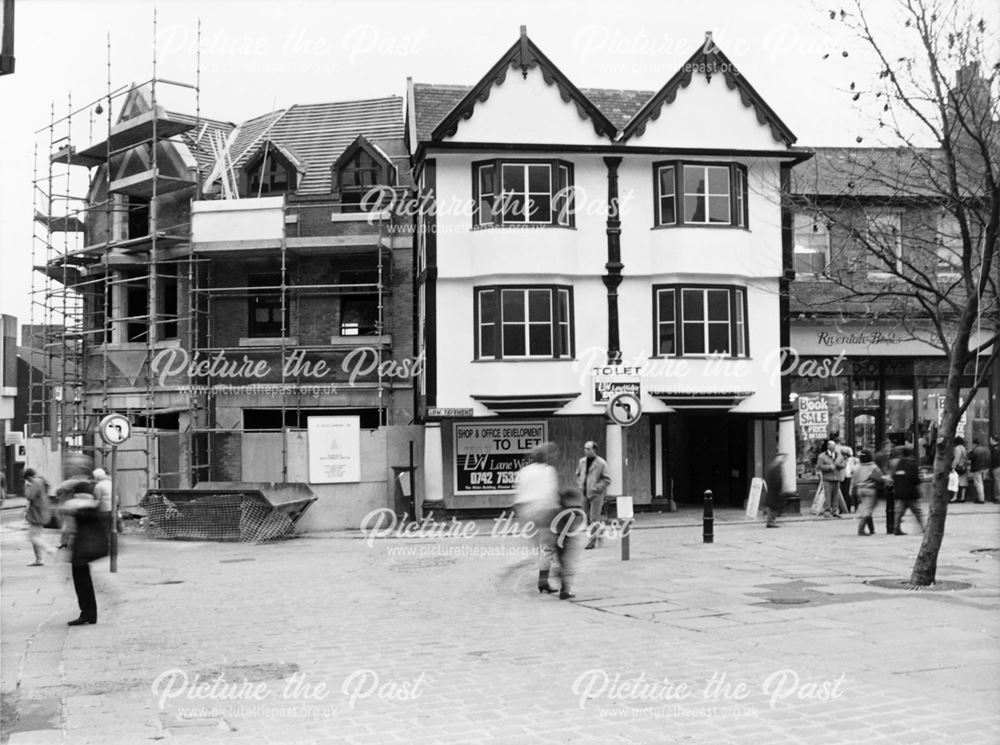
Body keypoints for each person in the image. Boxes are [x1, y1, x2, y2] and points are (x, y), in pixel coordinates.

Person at [514, 442, 560, 596]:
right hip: (543, 510)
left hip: (526, 511)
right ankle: (544, 579)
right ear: (544, 457)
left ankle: (544, 574)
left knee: (537, 546)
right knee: (547, 546)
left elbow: (518, 492)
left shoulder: (524, 471)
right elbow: (551, 493)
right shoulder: (549, 471)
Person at [551, 487, 586, 600]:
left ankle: (564, 587)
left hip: (556, 539)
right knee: (566, 565)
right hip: (564, 540)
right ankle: (564, 589)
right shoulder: (566, 511)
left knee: (563, 563)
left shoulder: (558, 510)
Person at [575, 441, 612, 549]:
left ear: (594, 450)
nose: (585, 451)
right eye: (585, 448)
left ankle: (592, 541)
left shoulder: (601, 463)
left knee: (594, 518)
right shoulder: (582, 462)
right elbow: (578, 474)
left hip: (596, 495)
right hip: (584, 493)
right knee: (586, 517)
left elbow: (607, 479)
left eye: (588, 449)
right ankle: (600, 531)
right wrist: (580, 485)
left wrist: (596, 488)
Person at [23, 469, 56, 566]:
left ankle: (51, 550)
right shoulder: (41, 481)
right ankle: (39, 559)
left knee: (33, 536)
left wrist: (27, 486)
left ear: (28, 477)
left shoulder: (36, 482)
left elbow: (30, 496)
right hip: (40, 511)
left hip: (37, 512)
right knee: (35, 535)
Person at [890, 445, 925, 535]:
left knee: (899, 512)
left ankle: (896, 528)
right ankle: (924, 528)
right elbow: (915, 479)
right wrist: (919, 489)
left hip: (900, 492)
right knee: (918, 512)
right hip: (911, 492)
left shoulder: (898, 464)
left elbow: (894, 477)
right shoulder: (912, 464)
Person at [849, 450, 883, 536]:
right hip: (870, 489)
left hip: (859, 490)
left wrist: (851, 490)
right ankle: (861, 530)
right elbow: (880, 478)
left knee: (866, 508)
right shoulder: (873, 467)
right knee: (867, 510)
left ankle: (872, 529)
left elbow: (853, 480)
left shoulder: (857, 467)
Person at [816, 439, 845, 518]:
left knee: (836, 495)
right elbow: (819, 466)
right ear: (828, 446)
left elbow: (843, 464)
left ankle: (835, 510)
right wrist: (829, 467)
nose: (833, 448)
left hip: (836, 477)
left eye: (834, 446)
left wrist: (840, 466)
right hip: (827, 478)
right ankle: (827, 511)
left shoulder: (838, 455)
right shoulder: (822, 456)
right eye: (832, 446)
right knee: (827, 495)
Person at [763, 453, 789, 528]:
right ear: (779, 458)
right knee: (774, 507)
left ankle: (770, 521)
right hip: (775, 491)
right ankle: (770, 522)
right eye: (783, 457)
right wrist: (780, 489)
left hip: (774, 491)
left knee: (773, 507)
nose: (785, 459)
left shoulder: (775, 466)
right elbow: (777, 479)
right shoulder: (775, 467)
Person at [968, 438, 990, 504]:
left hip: (977, 469)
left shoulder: (975, 450)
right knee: (981, 483)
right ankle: (982, 497)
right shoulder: (987, 449)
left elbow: (970, 457)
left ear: (974, 444)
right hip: (985, 468)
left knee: (978, 484)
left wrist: (969, 452)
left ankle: (981, 499)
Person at [951, 437, 969, 503]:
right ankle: (962, 497)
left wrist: (953, 466)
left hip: (958, 467)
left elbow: (957, 459)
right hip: (964, 467)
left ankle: (954, 497)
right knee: (963, 483)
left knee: (956, 483)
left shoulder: (957, 448)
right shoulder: (964, 448)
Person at [990, 435, 1000, 503]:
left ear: (993, 440)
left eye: (990, 440)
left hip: (996, 467)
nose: (990, 441)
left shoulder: (995, 448)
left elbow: (994, 459)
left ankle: (998, 498)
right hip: (997, 466)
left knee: (997, 482)